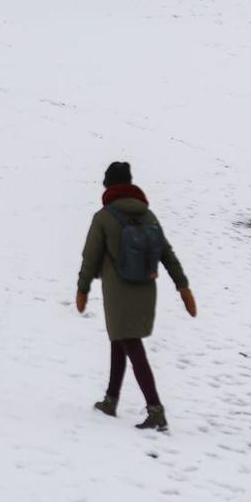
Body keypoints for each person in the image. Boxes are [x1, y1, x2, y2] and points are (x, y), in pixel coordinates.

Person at [77, 161, 195, 431]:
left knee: (130, 343)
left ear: (109, 186)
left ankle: (156, 410)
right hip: (145, 289)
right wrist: (182, 286)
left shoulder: (104, 217)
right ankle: (111, 399)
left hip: (118, 292)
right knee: (121, 339)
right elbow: (167, 253)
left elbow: (90, 256)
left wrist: (83, 288)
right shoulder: (148, 215)